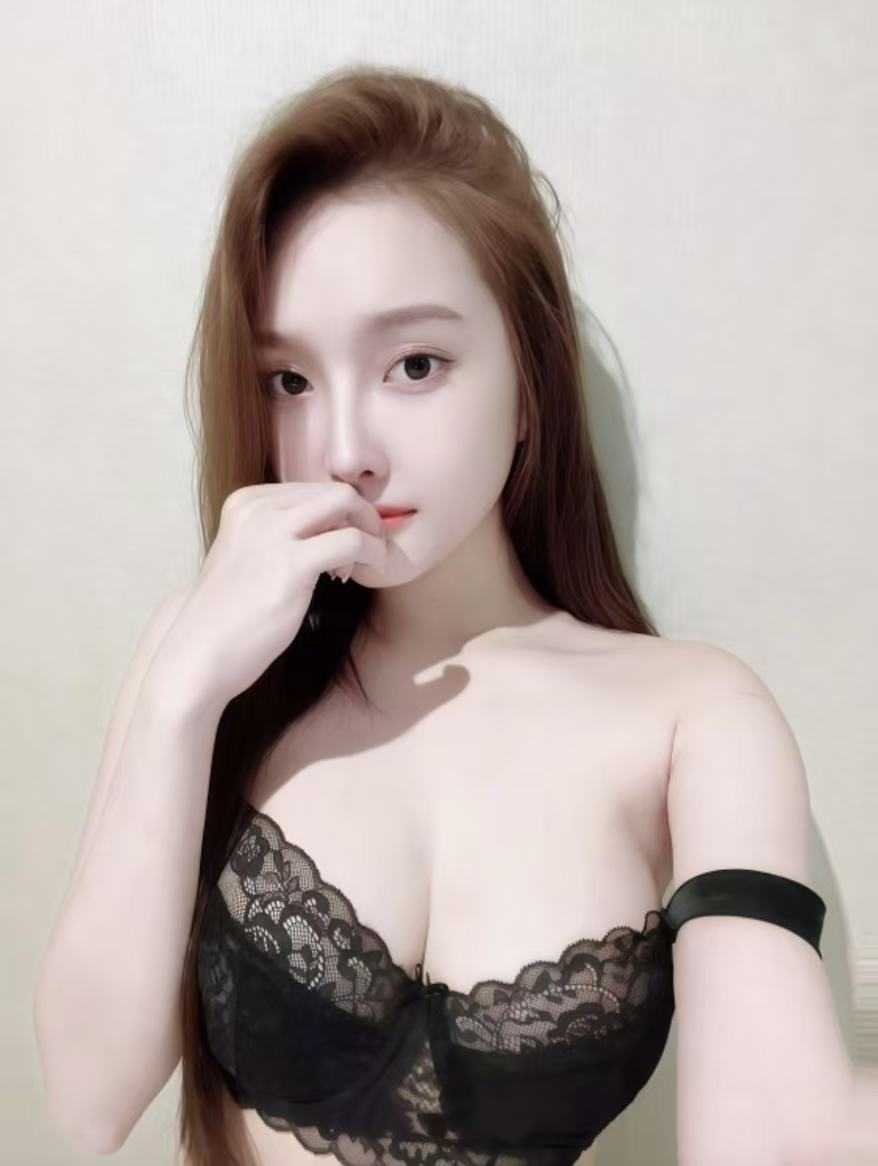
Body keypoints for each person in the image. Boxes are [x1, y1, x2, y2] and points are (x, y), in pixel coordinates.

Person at [34, 64, 875, 1166]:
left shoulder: (692, 714)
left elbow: (776, 1127)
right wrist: (182, 695)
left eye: (414, 364)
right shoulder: (206, 658)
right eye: (290, 381)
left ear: (529, 384)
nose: (345, 448)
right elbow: (88, 1101)